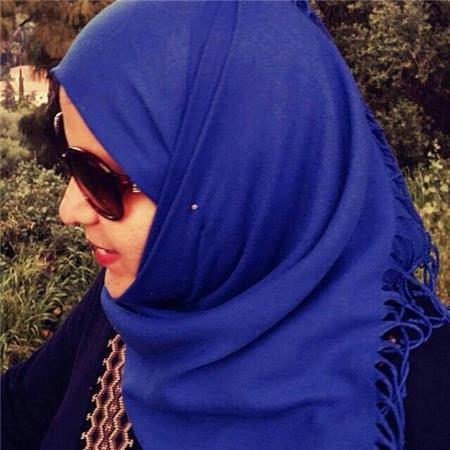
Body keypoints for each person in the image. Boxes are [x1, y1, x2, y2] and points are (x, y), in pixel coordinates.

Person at [2, 1, 449, 449]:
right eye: (71, 160)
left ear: (242, 179)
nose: (69, 210)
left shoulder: (423, 402)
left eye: (101, 177)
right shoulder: (132, 310)